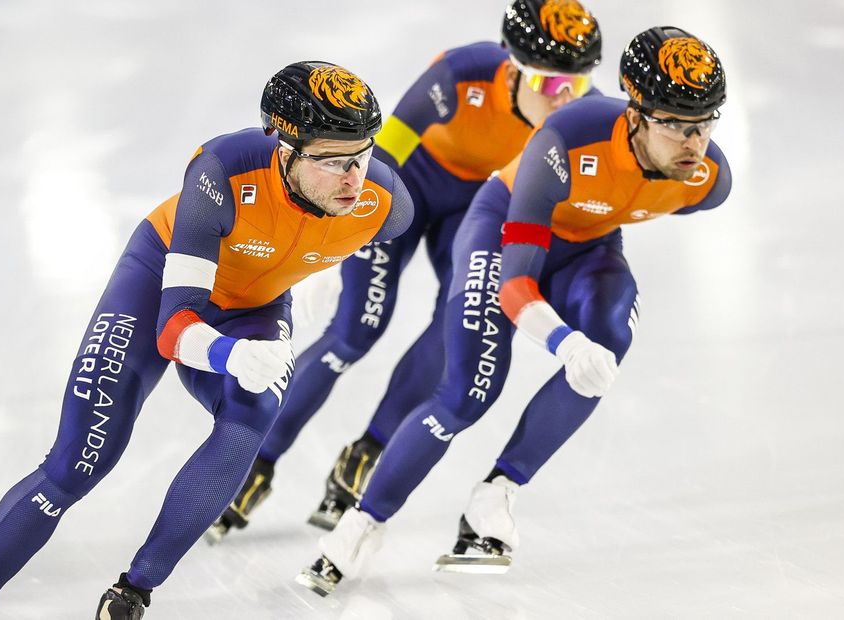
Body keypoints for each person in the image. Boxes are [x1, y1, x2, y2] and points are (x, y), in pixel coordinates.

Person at [0, 61, 413, 620]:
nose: (354, 177)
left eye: (363, 154)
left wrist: (327, 268)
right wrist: (231, 353)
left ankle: (133, 592)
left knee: (252, 415)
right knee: (79, 462)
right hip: (162, 284)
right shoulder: (221, 171)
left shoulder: (387, 203)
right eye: (333, 160)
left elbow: (359, 230)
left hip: (255, 306)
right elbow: (173, 329)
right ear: (285, 149)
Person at [296, 25, 732, 596]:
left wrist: (583, 340)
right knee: (469, 391)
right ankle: (361, 525)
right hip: (502, 232)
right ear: (634, 113)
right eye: (674, 123)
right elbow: (516, 282)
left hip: (588, 246)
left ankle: (495, 497)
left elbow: (617, 209)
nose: (692, 143)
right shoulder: (566, 139)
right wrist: (560, 341)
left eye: (704, 123)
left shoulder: (707, 181)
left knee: (606, 340)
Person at [207, 0, 602, 541]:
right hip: (400, 194)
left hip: (475, 208)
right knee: (354, 332)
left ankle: (366, 451)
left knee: (456, 323)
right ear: (512, 67)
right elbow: (378, 157)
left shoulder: (584, 115)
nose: (563, 100)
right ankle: (258, 460)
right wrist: (335, 245)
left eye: (576, 87)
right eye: (549, 83)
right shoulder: (461, 73)